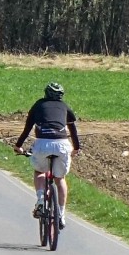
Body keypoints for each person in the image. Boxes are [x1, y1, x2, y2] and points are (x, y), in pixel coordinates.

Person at [15, 82, 80, 222]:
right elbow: (73, 131)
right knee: (60, 179)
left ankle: (40, 199)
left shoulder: (38, 105)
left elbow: (27, 129)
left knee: (39, 172)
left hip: (42, 143)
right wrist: (76, 148)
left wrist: (18, 146)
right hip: (62, 144)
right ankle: (61, 215)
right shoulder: (65, 107)